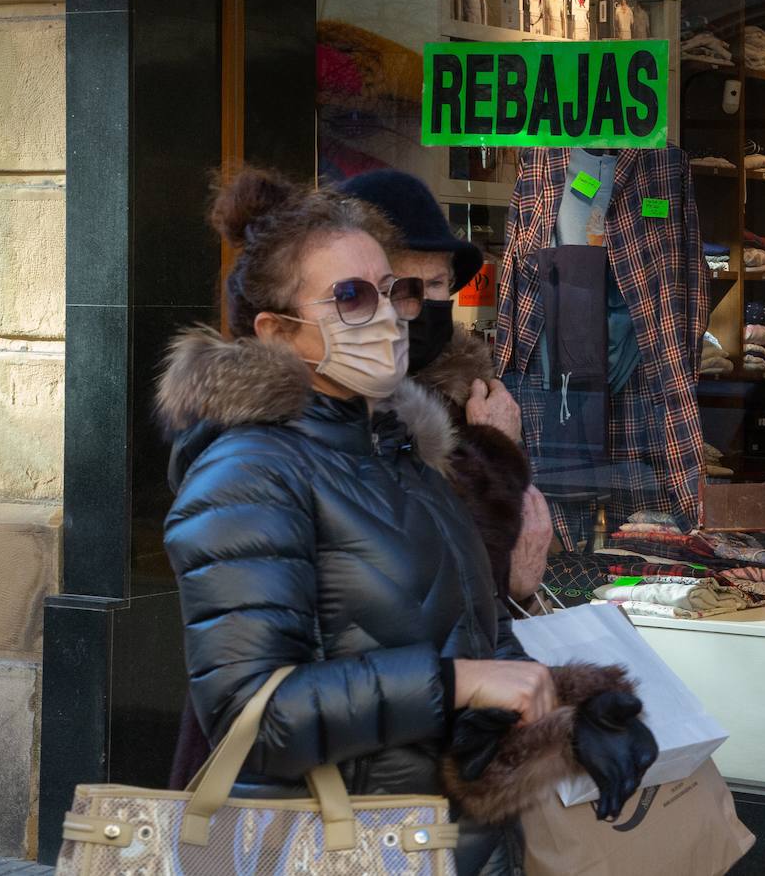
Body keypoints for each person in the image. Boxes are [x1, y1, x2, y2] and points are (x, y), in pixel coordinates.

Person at [157, 168, 646, 875]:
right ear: (278, 332)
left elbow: (469, 646)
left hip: (442, 849)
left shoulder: (406, 460)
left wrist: (573, 713)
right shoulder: (248, 473)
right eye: (351, 297)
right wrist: (456, 682)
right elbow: (250, 714)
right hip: (331, 849)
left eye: (396, 291)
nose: (388, 315)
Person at [341, 168, 552, 605]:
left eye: (435, 283)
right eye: (398, 287)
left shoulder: (475, 397)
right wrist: (494, 449)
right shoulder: (337, 412)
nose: (414, 307)